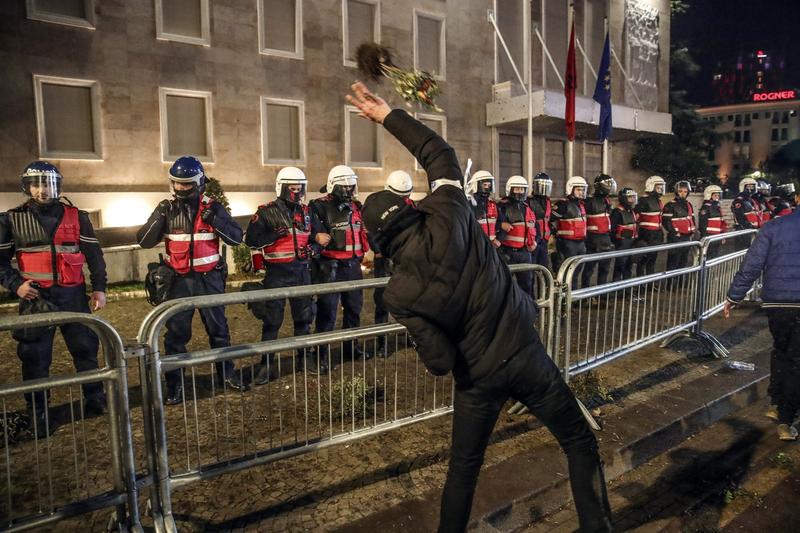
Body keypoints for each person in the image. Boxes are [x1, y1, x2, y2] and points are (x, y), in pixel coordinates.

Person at [348, 82, 612, 533]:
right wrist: (387, 115)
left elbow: (439, 361)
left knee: (463, 469)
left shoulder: (398, 293)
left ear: (378, 243)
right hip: (526, 353)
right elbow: (439, 152)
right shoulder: (449, 210)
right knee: (578, 440)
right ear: (408, 207)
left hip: (478, 378)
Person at [0, 161, 108, 435]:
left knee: (85, 350)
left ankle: (96, 399)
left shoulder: (77, 216)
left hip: (73, 295)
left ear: (57, 186)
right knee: (34, 358)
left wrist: (100, 288)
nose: (42, 190)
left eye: (47, 184)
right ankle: (38, 414)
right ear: (27, 187)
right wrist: (16, 286)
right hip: (35, 298)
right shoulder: (11, 219)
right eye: (36, 184)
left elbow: (94, 256)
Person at [137, 156, 247, 405]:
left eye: (187, 184)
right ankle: (175, 385)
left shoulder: (213, 207)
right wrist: (159, 216)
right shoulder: (167, 208)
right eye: (177, 183)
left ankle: (226, 375)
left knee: (219, 331)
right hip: (179, 282)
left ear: (198, 183)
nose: (181, 188)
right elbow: (143, 239)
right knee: (176, 335)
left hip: (209, 280)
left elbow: (236, 238)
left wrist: (215, 220)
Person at [724, 182, 800, 441]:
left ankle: (777, 402)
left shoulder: (773, 227)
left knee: (781, 350)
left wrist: (734, 296)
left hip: (777, 303)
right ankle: (787, 420)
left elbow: (752, 264)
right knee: (796, 361)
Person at [245, 167, 319, 384]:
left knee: (304, 320)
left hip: (302, 272)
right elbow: (251, 240)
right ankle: (266, 366)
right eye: (293, 188)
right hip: (276, 274)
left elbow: (318, 238)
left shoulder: (307, 212)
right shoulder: (266, 212)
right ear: (282, 187)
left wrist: (313, 250)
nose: (297, 192)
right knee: (271, 322)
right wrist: (270, 235)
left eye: (300, 188)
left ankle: (304, 359)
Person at [311, 165, 369, 361]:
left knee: (354, 310)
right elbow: (310, 231)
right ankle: (321, 355)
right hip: (330, 266)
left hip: (353, 265)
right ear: (333, 186)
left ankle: (351, 348)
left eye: (352, 187)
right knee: (327, 313)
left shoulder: (356, 207)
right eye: (345, 187)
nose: (349, 191)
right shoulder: (318, 206)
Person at [371, 170, 414, 358]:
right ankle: (382, 342)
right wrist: (380, 250)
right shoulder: (376, 207)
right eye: (401, 196)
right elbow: (369, 231)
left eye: (406, 195)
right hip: (385, 259)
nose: (404, 199)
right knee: (382, 301)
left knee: (411, 300)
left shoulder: (411, 206)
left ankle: (412, 336)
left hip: (406, 260)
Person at [497, 175, 537, 296]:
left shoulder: (527, 208)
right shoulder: (502, 207)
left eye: (522, 189)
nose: (520, 192)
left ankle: (527, 311)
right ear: (510, 189)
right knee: (505, 285)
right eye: (517, 189)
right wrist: (500, 225)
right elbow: (491, 224)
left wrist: (534, 242)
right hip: (507, 253)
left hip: (525, 253)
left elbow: (535, 228)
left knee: (527, 285)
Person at [581, 174, 616, 288]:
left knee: (605, 269)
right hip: (593, 239)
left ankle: (602, 295)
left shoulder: (607, 201)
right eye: (607, 184)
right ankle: (585, 295)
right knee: (589, 269)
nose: (609, 186)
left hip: (605, 238)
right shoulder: (589, 202)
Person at [551, 176, 588, 280]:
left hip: (580, 243)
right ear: (570, 189)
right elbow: (550, 220)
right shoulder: (563, 204)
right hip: (567, 244)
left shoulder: (581, 205)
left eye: (583, 189)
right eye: (578, 189)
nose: (581, 192)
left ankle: (573, 295)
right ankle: (563, 296)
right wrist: (554, 235)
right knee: (565, 274)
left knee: (575, 274)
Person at [661, 180, 696, 274]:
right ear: (676, 192)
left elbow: (692, 219)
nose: (683, 194)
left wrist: (692, 232)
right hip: (675, 238)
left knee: (683, 263)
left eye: (685, 191)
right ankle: (671, 285)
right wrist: (675, 233)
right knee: (673, 263)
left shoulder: (689, 204)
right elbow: (666, 222)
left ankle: (681, 284)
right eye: (680, 191)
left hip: (687, 237)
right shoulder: (670, 205)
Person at [634, 175, 666, 277]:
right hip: (646, 234)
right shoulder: (643, 200)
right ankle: (640, 284)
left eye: (661, 187)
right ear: (651, 187)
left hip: (656, 234)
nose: (660, 189)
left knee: (652, 260)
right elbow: (635, 217)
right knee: (643, 260)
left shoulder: (659, 201)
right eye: (658, 187)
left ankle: (649, 284)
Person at [465, 170, 500, 248]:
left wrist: (499, 239)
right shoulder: (470, 204)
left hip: (492, 246)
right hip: (475, 246)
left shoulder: (493, 204)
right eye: (484, 185)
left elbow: (499, 224)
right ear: (476, 185)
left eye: (489, 185)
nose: (487, 187)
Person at [610, 187, 638, 281]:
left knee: (628, 268)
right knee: (619, 268)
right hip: (622, 244)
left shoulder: (631, 211)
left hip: (631, 243)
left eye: (633, 197)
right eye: (630, 197)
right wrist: (616, 243)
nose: (632, 200)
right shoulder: (617, 212)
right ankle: (616, 290)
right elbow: (612, 229)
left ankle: (627, 291)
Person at [527, 172, 553, 270]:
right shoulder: (528, 201)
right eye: (542, 186)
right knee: (532, 268)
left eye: (546, 186)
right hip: (533, 240)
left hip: (544, 241)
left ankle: (543, 286)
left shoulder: (548, 202)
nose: (544, 189)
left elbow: (549, 220)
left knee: (544, 268)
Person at [731, 177, 761, 250]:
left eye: (752, 186)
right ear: (743, 187)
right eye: (749, 186)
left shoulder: (750, 200)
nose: (751, 188)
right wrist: (749, 226)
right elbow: (739, 216)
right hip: (742, 229)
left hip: (750, 229)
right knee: (742, 250)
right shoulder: (739, 200)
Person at [698, 185, 727, 259]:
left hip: (716, 237)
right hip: (708, 237)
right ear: (709, 195)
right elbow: (702, 224)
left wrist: (722, 236)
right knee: (705, 257)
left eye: (718, 195)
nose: (717, 197)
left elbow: (721, 223)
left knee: (714, 257)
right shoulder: (705, 207)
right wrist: (704, 237)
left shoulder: (717, 206)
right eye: (715, 195)